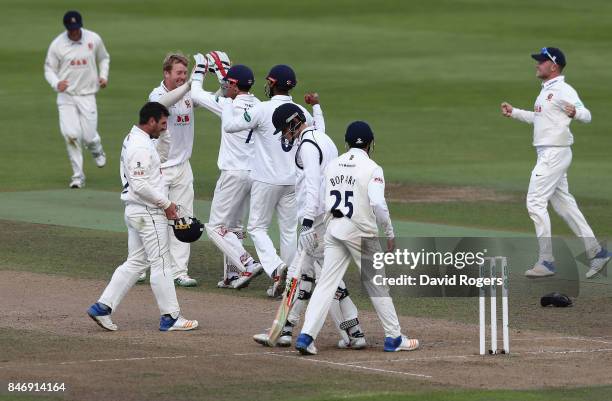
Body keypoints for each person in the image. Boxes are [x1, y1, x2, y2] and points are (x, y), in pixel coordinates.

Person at [296, 121, 419, 355]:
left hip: (334, 229)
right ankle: (393, 338)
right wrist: (390, 233)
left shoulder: (332, 166)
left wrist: (311, 224)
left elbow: (322, 201)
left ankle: (306, 336)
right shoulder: (373, 168)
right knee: (377, 287)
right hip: (361, 232)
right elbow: (378, 205)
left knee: (325, 286)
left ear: (346, 143)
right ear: (371, 143)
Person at [253, 102, 366, 348]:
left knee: (318, 276)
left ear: (294, 123)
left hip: (317, 221)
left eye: (284, 129)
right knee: (306, 274)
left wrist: (306, 224)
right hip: (326, 217)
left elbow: (314, 184)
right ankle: (287, 330)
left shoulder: (306, 146)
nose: (284, 135)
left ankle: (352, 332)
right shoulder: (321, 138)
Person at [87, 102, 198, 332]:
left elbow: (163, 155)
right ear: (151, 122)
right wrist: (166, 204)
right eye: (163, 124)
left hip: (137, 212)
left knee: (136, 262)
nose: (165, 128)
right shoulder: (139, 146)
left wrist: (165, 133)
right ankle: (171, 316)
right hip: (147, 212)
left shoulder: (140, 139)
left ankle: (102, 307)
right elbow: (139, 184)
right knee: (161, 263)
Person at [501, 47, 610, 279]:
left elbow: (586, 114)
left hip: (554, 154)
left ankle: (546, 260)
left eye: (541, 62)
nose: (537, 65)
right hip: (550, 153)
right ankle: (597, 252)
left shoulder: (562, 89)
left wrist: (575, 113)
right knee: (564, 206)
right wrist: (515, 113)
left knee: (535, 202)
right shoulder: (546, 91)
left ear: (553, 66)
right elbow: (539, 118)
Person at [221, 65, 324, 296]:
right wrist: (316, 107)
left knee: (257, 228)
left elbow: (229, 126)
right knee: (288, 231)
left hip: (266, 179)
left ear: (273, 83)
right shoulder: (301, 112)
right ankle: (290, 283)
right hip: (293, 181)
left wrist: (228, 100)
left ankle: (277, 269)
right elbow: (320, 131)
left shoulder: (261, 109)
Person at [190, 58, 263, 288]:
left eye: (227, 84)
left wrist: (201, 69)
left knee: (215, 228)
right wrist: (221, 71)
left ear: (233, 85)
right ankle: (233, 274)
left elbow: (196, 94)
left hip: (233, 173)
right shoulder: (259, 105)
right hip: (254, 174)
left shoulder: (227, 105)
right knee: (234, 227)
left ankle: (247, 264)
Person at [144, 53, 203, 287]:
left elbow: (207, 100)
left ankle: (179, 271)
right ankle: (142, 265)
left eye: (185, 73)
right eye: (178, 73)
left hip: (183, 166)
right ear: (166, 73)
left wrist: (221, 84)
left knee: (183, 219)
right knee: (154, 218)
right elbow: (161, 105)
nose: (182, 77)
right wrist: (190, 85)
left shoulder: (188, 93)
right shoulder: (156, 94)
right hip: (160, 168)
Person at [44, 10, 110, 189]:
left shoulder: (93, 39)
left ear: (80, 26)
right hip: (66, 96)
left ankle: (96, 147)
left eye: (76, 28)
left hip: (88, 94)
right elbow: (49, 69)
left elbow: (104, 58)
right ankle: (78, 176)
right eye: (71, 29)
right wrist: (57, 83)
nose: (74, 32)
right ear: (66, 28)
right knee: (71, 135)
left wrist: (103, 76)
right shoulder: (58, 44)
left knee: (88, 136)